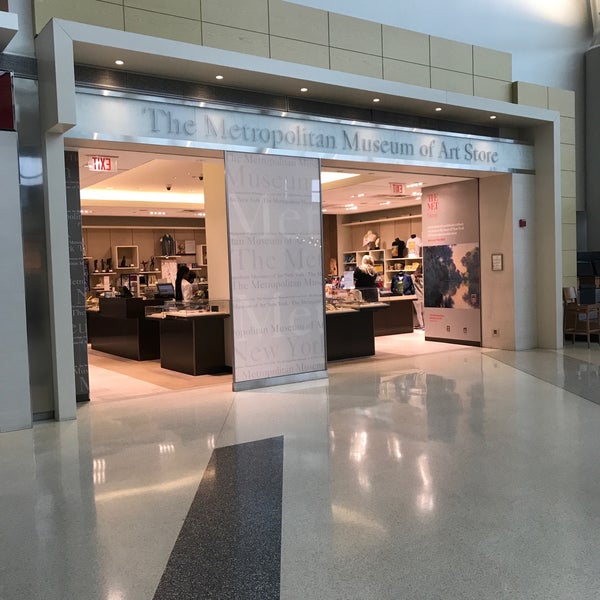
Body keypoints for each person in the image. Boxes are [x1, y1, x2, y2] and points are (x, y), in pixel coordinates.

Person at [412, 264, 425, 329]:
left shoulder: (412, 276)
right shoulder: (425, 277)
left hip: (416, 297)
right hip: (423, 297)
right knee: (424, 312)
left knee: (418, 312)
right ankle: (425, 325)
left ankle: (421, 325)